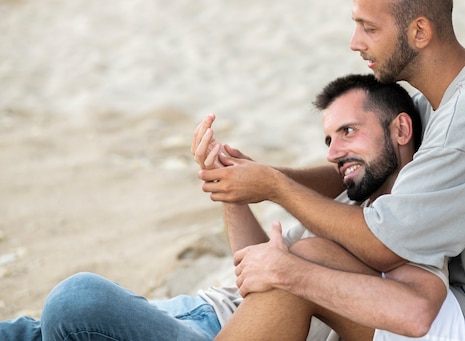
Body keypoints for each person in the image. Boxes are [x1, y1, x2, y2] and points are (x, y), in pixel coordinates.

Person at [197, 0, 465, 340]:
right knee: (305, 258)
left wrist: (275, 186)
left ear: (419, 31)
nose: (355, 42)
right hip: (462, 308)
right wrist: (252, 177)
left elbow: (385, 246)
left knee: (301, 266)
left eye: (368, 27)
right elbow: (362, 168)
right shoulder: (436, 104)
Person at [0, 74, 433, 340]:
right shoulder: (348, 190)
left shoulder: (413, 216)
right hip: (206, 309)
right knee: (23, 332)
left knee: (76, 302)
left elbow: (411, 311)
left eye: (349, 131)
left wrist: (273, 186)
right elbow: (251, 277)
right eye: (329, 139)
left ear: (400, 128)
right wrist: (229, 190)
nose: (334, 153)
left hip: (225, 330)